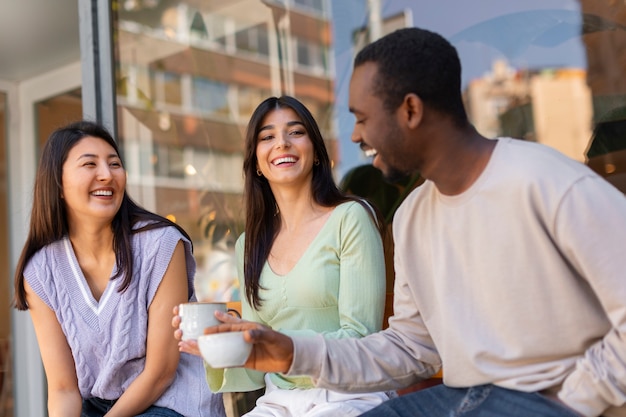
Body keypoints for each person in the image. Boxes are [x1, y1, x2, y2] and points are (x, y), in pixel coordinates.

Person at [199, 28, 626, 417]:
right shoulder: (412, 217)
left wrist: (573, 400)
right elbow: (410, 347)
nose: (354, 137)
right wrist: (293, 353)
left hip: (545, 400)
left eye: (362, 118)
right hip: (463, 397)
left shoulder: (547, 183)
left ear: (410, 110)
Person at [173, 96, 390, 416]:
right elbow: (257, 366)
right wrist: (221, 346)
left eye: (296, 132)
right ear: (256, 163)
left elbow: (360, 337)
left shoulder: (350, 218)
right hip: (278, 402)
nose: (282, 143)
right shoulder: (248, 246)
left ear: (316, 152)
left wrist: (268, 340)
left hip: (347, 395)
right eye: (267, 137)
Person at [13, 121, 226, 417]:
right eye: (90, 164)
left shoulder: (161, 244)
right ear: (58, 185)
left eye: (115, 164)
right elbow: (63, 389)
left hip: (172, 401)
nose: (107, 174)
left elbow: (161, 371)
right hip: (98, 406)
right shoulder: (41, 272)